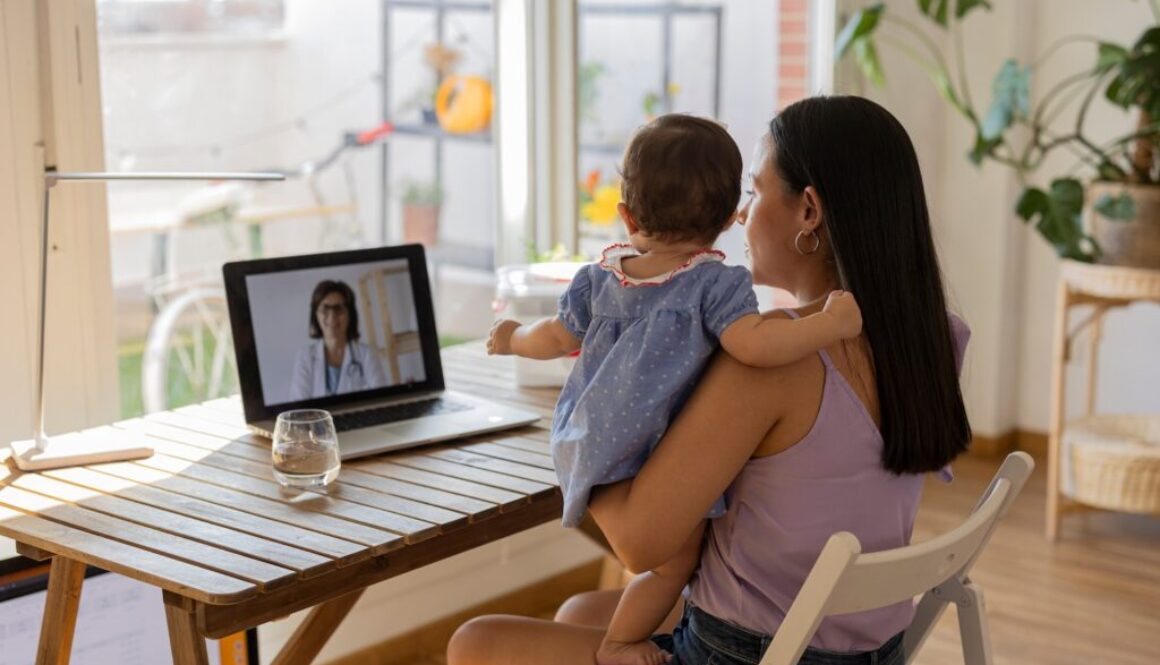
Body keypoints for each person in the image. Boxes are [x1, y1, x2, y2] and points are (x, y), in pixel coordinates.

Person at [448, 95, 972, 665]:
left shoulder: (774, 363)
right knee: (582, 613)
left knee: (475, 644)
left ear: (809, 212)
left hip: (751, 651)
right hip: (853, 641)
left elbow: (637, 542)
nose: (741, 214)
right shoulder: (935, 338)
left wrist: (584, 435)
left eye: (754, 190)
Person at [486, 113, 863, 665]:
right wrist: (827, 325)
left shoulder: (599, 277)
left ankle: (616, 636)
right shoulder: (716, 284)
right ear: (727, 219)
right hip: (653, 449)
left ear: (626, 214)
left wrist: (512, 337)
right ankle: (620, 642)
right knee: (671, 567)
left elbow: (555, 337)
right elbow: (755, 346)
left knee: (540, 619)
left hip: (585, 440)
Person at [289, 279, 389, 401]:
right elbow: (299, 407)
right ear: (316, 315)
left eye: (339, 309)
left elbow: (382, 400)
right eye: (325, 309)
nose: (332, 317)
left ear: (350, 314)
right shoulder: (305, 357)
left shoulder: (367, 354)